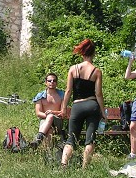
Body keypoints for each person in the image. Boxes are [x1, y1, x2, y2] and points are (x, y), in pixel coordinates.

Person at [60, 38, 105, 169]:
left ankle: (64, 165)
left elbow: (68, 90)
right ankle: (84, 168)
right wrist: (103, 111)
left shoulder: (73, 69)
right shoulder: (96, 71)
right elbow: (98, 94)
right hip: (92, 105)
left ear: (82, 53)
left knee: (71, 139)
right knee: (90, 139)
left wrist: (64, 108)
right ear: (94, 53)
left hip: (77, 106)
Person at [31, 72, 65, 148]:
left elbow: (63, 112)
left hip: (58, 121)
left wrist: (52, 113)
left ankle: (38, 138)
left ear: (57, 82)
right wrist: (48, 116)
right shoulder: (40, 96)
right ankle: (49, 155)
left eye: (54, 80)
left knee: (50, 116)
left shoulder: (62, 94)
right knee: (49, 131)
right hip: (44, 120)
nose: (52, 82)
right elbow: (38, 112)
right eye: (49, 81)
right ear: (46, 82)